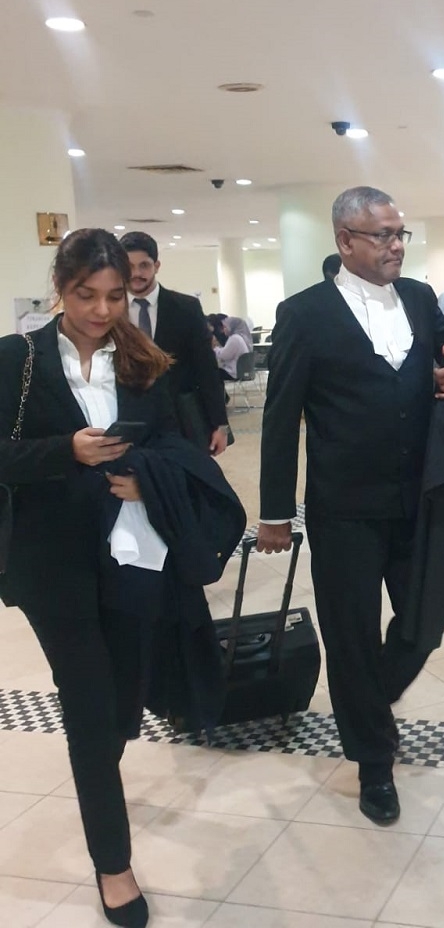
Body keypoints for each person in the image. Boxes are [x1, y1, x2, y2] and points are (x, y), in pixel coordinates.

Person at [257, 186, 444, 827]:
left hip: (418, 497)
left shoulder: (423, 300)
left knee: (428, 617)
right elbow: (280, 416)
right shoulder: (305, 313)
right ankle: (374, 763)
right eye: (382, 235)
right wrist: (273, 511)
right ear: (345, 241)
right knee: (350, 634)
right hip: (343, 505)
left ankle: (368, 701)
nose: (396, 245)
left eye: (400, 233)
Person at [0, 229, 181, 928]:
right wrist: (62, 452)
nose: (101, 311)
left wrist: (149, 480)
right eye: (86, 296)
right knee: (87, 708)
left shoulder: (143, 364)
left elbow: (175, 446)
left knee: (123, 706)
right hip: (52, 566)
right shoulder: (17, 359)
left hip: (134, 554)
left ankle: (99, 767)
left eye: (115, 296)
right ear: (61, 287)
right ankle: (114, 864)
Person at [119, 231, 229, 456]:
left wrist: (219, 423)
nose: (136, 273)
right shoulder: (110, 309)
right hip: (126, 417)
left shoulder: (186, 307)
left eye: (144, 265)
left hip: (180, 416)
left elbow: (206, 367)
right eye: (129, 266)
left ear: (157, 266)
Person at [207, 313, 251, 382]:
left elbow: (224, 356)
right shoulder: (238, 337)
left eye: (225, 327)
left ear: (231, 327)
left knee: (210, 372)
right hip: (241, 371)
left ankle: (219, 392)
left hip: (233, 372)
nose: (223, 330)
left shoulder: (234, 338)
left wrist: (214, 348)